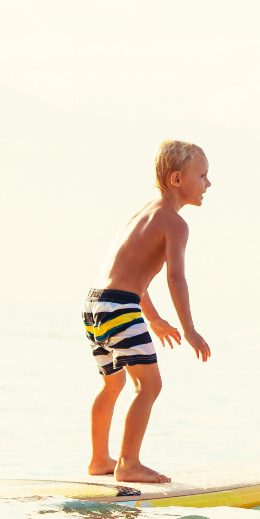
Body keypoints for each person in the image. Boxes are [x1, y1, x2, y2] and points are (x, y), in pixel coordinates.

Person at [84, 140, 214, 484]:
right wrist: (189, 329)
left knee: (113, 384)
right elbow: (175, 278)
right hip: (120, 305)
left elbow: (130, 273)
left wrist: (154, 319)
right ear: (176, 179)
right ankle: (128, 464)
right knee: (149, 385)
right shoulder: (174, 223)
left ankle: (99, 460)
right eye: (202, 176)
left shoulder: (143, 212)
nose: (208, 184)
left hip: (97, 303)